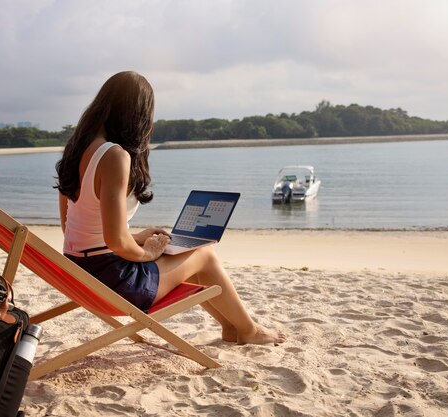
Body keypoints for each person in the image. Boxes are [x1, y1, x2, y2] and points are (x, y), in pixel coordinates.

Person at [55, 71, 286, 345]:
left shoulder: (76, 150)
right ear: (137, 114)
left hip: (80, 275)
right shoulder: (114, 155)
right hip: (114, 283)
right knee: (204, 253)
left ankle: (231, 326)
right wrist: (145, 252)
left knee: (189, 254)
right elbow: (115, 241)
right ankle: (250, 330)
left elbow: (73, 227)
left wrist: (139, 238)